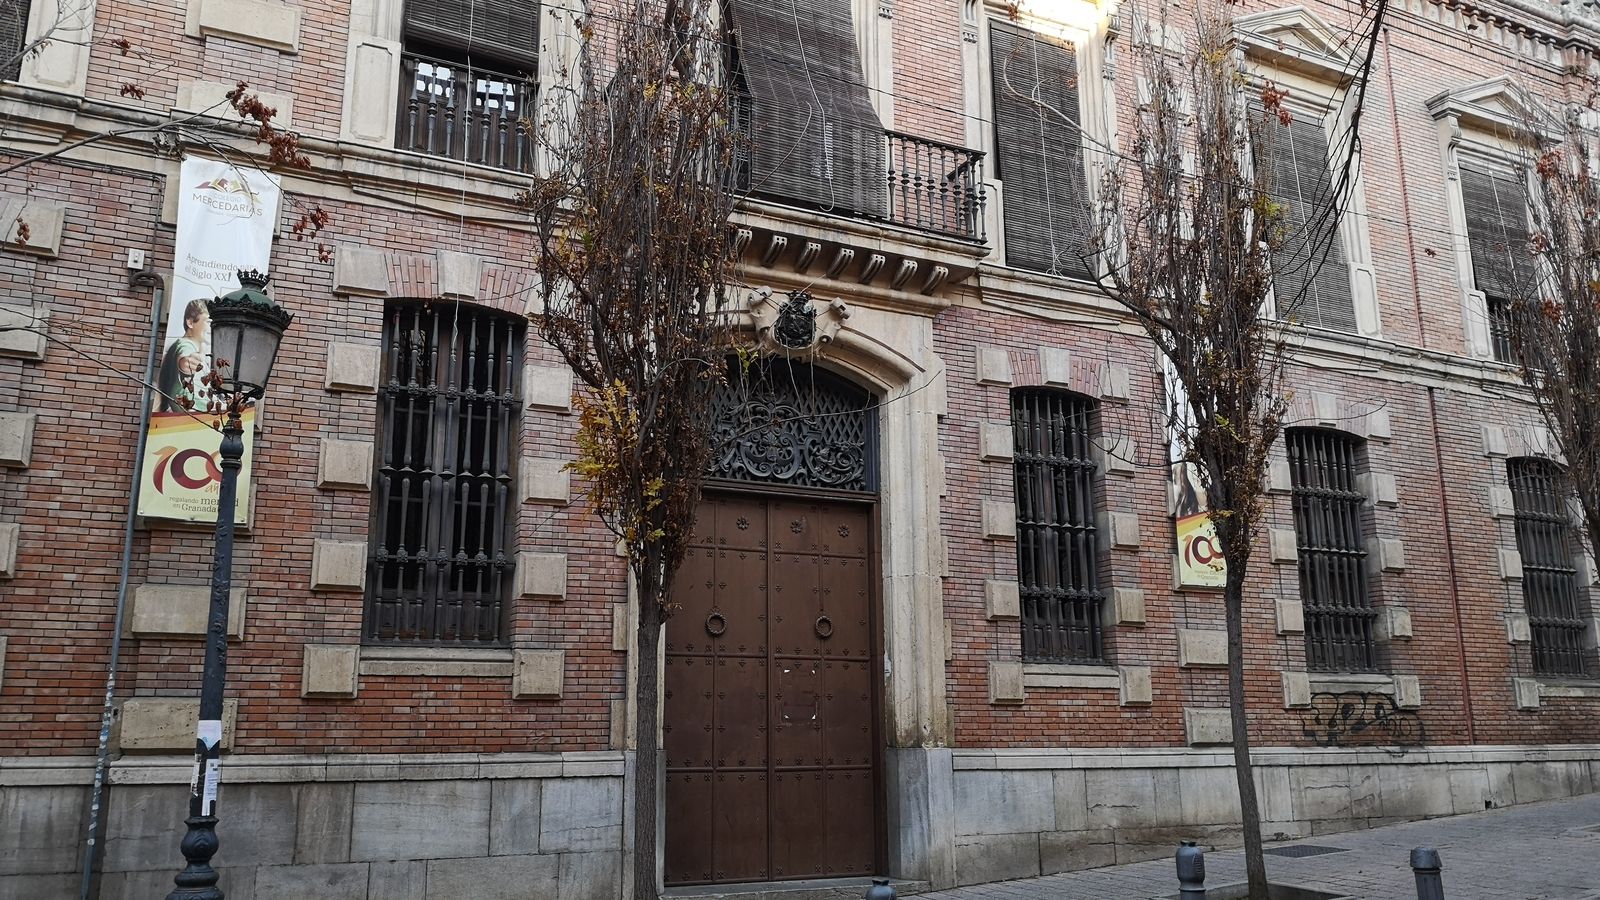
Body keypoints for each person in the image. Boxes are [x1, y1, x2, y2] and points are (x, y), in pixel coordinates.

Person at [157, 299, 209, 413]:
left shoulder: (190, 345)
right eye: (207, 321)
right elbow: (185, 359)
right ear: (190, 323)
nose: (210, 327)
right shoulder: (186, 345)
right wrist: (186, 363)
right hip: (192, 419)